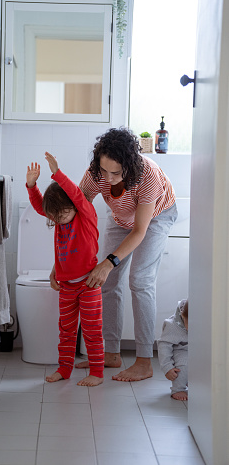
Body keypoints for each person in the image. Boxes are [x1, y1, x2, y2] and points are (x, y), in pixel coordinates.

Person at [71, 128, 177, 382]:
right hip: (121, 218)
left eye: (115, 173)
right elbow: (76, 212)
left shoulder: (147, 175)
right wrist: (64, 258)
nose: (108, 178)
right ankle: (111, 353)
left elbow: (140, 230)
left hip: (155, 218)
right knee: (106, 282)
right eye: (104, 171)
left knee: (140, 281)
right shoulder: (96, 173)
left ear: (130, 166)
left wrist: (108, 262)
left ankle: (143, 362)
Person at [26, 152, 104, 387]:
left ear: (73, 206)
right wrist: (32, 185)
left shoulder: (86, 215)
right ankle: (64, 368)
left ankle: (97, 372)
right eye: (55, 218)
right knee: (67, 330)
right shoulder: (59, 217)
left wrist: (57, 174)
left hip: (89, 284)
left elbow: (77, 196)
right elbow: (41, 207)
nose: (59, 221)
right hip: (67, 286)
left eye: (63, 215)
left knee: (91, 330)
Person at [157, 299, 188, 400]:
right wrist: (167, 367)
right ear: (183, 317)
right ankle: (178, 389)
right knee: (183, 364)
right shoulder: (173, 325)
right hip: (181, 350)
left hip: (200, 350)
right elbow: (164, 346)